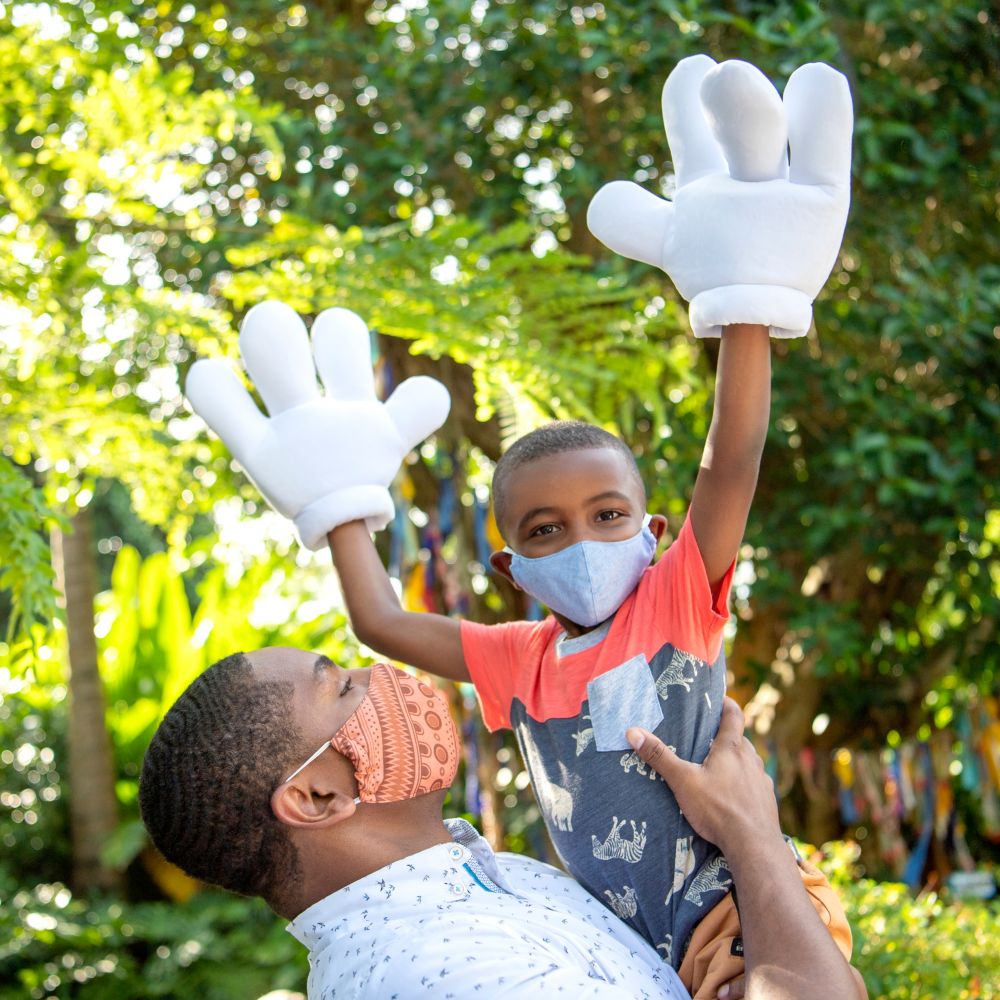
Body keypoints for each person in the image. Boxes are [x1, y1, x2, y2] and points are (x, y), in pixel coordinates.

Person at [184, 55, 856, 997]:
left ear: (655, 530)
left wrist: (745, 306)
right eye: (544, 531)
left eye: (608, 515)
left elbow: (731, 459)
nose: (580, 541)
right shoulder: (521, 662)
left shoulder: (674, 601)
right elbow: (380, 623)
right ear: (508, 566)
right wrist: (337, 500)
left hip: (733, 911)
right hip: (635, 940)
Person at [138, 648, 866, 999]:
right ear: (319, 797)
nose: (384, 676)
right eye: (345, 686)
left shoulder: (494, 879)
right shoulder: (430, 972)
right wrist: (749, 831)